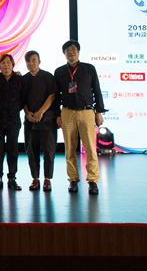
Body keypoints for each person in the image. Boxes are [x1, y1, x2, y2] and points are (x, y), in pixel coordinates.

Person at [54, 40, 106, 196]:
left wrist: (99, 111)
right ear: (64, 54)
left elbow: (97, 90)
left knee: (90, 147)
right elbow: (56, 95)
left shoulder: (89, 68)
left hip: (86, 112)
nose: (71, 52)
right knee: (69, 148)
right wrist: (57, 114)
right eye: (67, 50)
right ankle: (73, 179)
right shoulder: (59, 71)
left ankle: (92, 181)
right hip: (67, 112)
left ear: (78, 52)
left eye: (73, 50)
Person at [22, 50, 57, 192]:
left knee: (49, 151)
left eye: (34, 60)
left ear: (39, 61)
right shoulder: (24, 79)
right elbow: (22, 100)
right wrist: (27, 113)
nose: (31, 63)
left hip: (47, 120)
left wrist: (41, 112)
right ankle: (35, 178)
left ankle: (47, 179)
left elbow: (52, 96)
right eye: (28, 61)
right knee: (31, 151)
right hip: (30, 121)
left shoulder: (48, 76)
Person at [0, 54, 24, 191]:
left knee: (12, 150)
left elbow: (23, 98)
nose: (6, 65)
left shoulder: (19, 79)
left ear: (13, 65)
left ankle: (12, 178)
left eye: (8, 62)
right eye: (3, 63)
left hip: (13, 120)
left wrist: (14, 108)